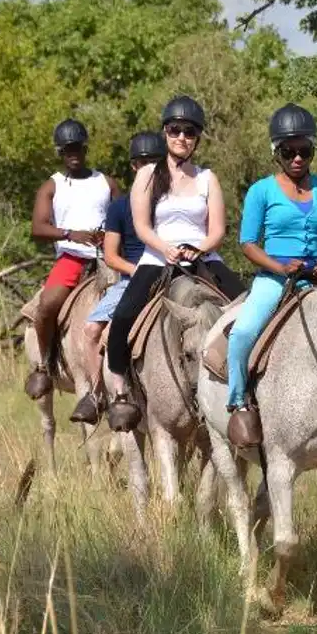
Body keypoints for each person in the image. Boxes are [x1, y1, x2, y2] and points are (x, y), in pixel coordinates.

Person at [104, 97, 244, 433]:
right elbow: (141, 226)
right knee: (122, 317)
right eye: (175, 129)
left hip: (202, 257)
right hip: (158, 255)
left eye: (190, 131)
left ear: (198, 137)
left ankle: (245, 393)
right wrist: (164, 248)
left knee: (247, 309)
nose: (182, 136)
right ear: (165, 132)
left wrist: (199, 248)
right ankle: (122, 393)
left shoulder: (208, 178)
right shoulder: (149, 175)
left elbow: (218, 231)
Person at [225, 103, 317, 448]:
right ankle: (238, 402)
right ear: (276, 153)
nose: (297, 158)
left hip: (316, 277)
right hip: (274, 277)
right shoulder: (260, 191)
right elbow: (247, 244)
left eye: (304, 151)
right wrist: (279, 268)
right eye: (288, 151)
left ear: (312, 151)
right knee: (241, 334)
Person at [69, 131, 165, 424]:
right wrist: (137, 271)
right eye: (141, 162)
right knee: (92, 331)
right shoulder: (120, 207)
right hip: (133, 277)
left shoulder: (172, 203)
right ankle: (99, 393)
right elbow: (111, 255)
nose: (147, 167)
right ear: (133, 166)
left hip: (173, 273)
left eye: (153, 162)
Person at [25, 118, 118, 400]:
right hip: (72, 258)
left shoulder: (106, 183)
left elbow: (124, 217)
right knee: (46, 306)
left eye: (77, 148)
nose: (73, 154)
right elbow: (38, 227)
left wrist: (109, 235)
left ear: (85, 148)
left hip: (107, 258)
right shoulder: (52, 186)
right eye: (67, 150)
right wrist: (69, 234)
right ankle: (44, 365)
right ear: (60, 153)